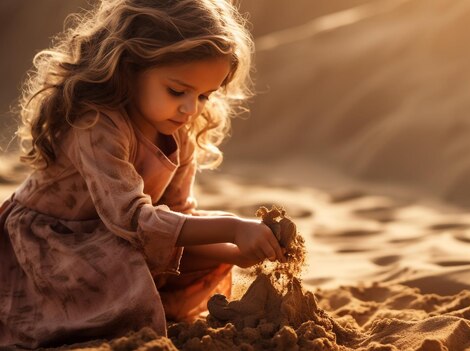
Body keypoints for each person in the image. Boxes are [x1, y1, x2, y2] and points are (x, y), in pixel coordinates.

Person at [0, 0, 285, 348]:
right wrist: (231, 228)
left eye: (205, 95)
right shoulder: (96, 125)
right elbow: (133, 222)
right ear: (128, 68)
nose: (190, 108)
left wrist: (234, 249)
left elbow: (176, 221)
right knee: (125, 255)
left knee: (152, 247)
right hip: (50, 245)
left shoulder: (180, 130)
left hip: (113, 239)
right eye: (177, 91)